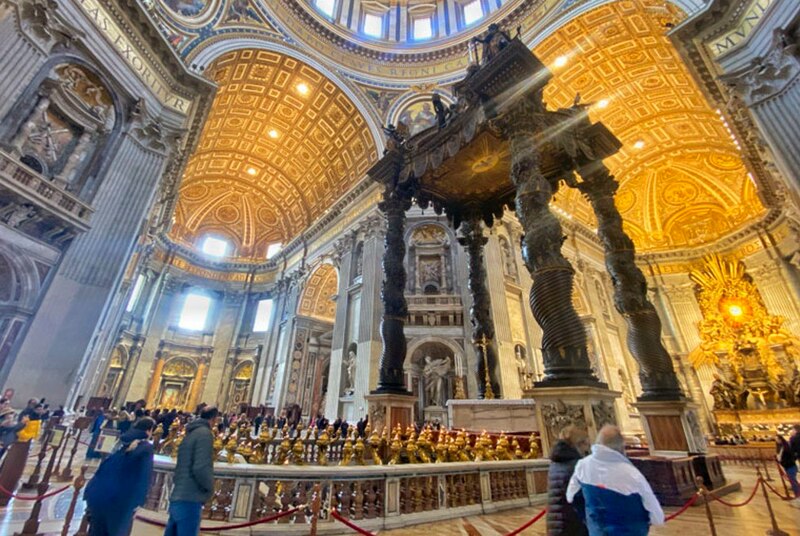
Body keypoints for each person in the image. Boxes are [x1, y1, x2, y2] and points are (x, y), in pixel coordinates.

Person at [567, 425, 664, 535]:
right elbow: (656, 514)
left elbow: (571, 496)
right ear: (621, 447)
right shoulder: (631, 474)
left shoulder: (582, 466)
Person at [84, 417, 156, 536]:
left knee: (97, 530)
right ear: (149, 431)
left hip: (99, 492)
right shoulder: (146, 447)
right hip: (121, 496)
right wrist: (140, 501)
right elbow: (144, 475)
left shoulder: (121, 439)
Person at [164, 406, 218, 536]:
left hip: (178, 494)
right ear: (214, 419)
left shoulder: (191, 433)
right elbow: (201, 467)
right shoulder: (205, 434)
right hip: (191, 497)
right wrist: (210, 489)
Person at [547, 426, 589, 536]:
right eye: (586, 444)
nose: (587, 449)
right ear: (579, 444)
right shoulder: (577, 465)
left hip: (556, 520)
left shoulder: (556, 461)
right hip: (573, 521)